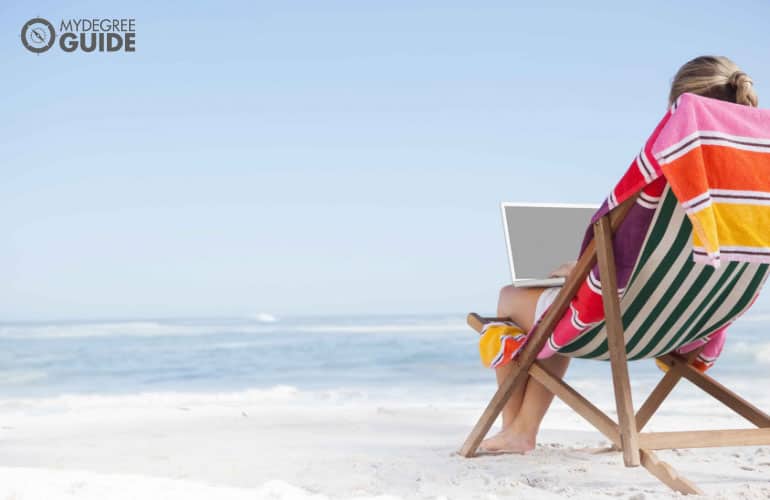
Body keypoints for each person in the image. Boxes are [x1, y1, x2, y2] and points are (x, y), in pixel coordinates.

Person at [479, 55, 759, 454]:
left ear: (678, 109)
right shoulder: (753, 198)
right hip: (691, 325)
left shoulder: (664, 183)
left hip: (621, 323)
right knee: (556, 305)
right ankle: (519, 429)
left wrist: (579, 270)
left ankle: (517, 430)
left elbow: (624, 252)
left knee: (516, 299)